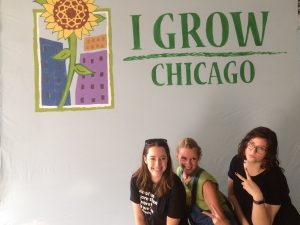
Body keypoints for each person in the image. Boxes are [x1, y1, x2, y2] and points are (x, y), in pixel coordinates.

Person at [227, 126, 300, 225]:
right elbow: (231, 195)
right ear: (245, 144)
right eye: (251, 144)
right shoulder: (236, 161)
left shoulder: (276, 178)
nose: (253, 151)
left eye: (261, 149)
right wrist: (244, 223)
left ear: (268, 153)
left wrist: (257, 195)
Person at [176, 138, 239, 225]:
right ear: (177, 156)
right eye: (184, 158)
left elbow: (223, 221)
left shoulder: (205, 183)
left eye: (193, 159)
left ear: (199, 158)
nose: (188, 164)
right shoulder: (179, 172)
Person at [130, 138, 189, 225]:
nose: (158, 164)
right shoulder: (136, 179)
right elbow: (139, 218)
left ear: (167, 159)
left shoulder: (176, 186)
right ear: (145, 159)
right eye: (152, 158)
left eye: (163, 158)